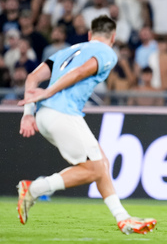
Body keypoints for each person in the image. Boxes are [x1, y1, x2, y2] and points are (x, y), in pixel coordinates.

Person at [16, 15, 156, 235]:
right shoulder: (107, 52)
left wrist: (28, 113)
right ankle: (33, 188)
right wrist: (50, 91)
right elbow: (81, 72)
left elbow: (32, 77)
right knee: (95, 168)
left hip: (44, 115)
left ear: (90, 35)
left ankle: (123, 218)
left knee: (102, 164)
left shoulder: (67, 51)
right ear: (113, 37)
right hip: (62, 113)